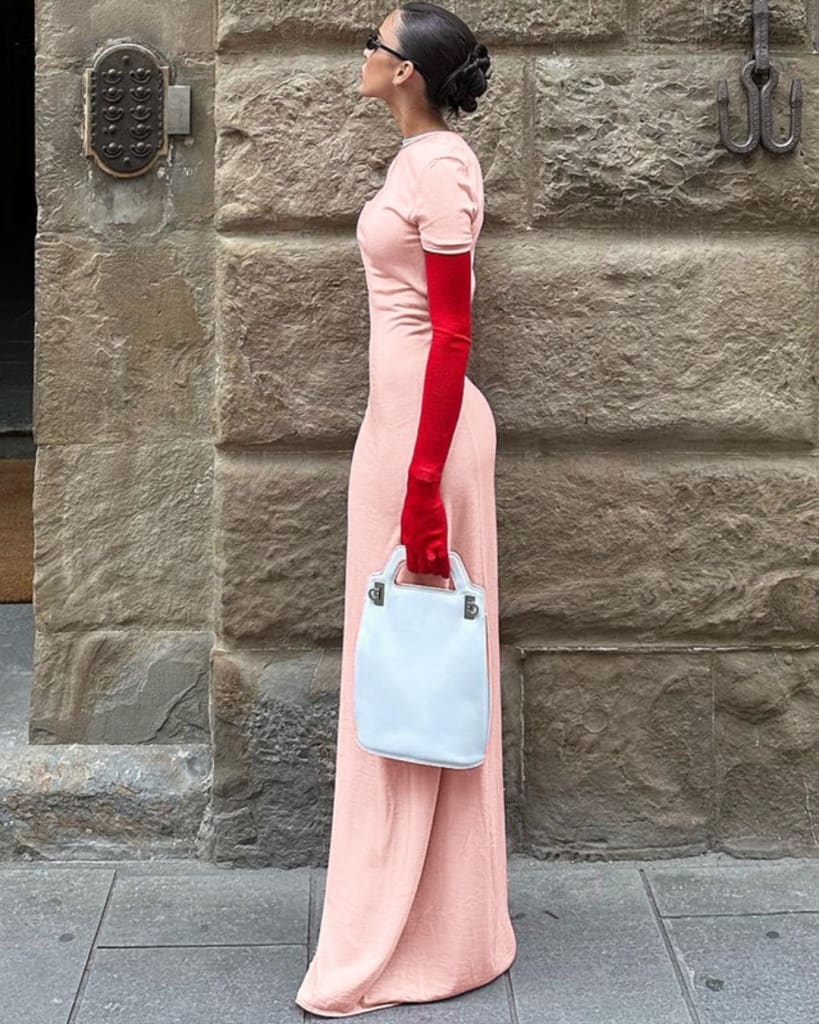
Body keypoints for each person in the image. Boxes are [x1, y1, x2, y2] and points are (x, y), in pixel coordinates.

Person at [295, 3, 516, 1016]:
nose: (365, 54)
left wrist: (424, 483)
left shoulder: (443, 167)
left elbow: (454, 333)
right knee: (395, 658)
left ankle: (425, 931)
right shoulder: (414, 161)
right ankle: (409, 916)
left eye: (377, 44)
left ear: (409, 74)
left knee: (419, 659)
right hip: (398, 431)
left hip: (427, 440)